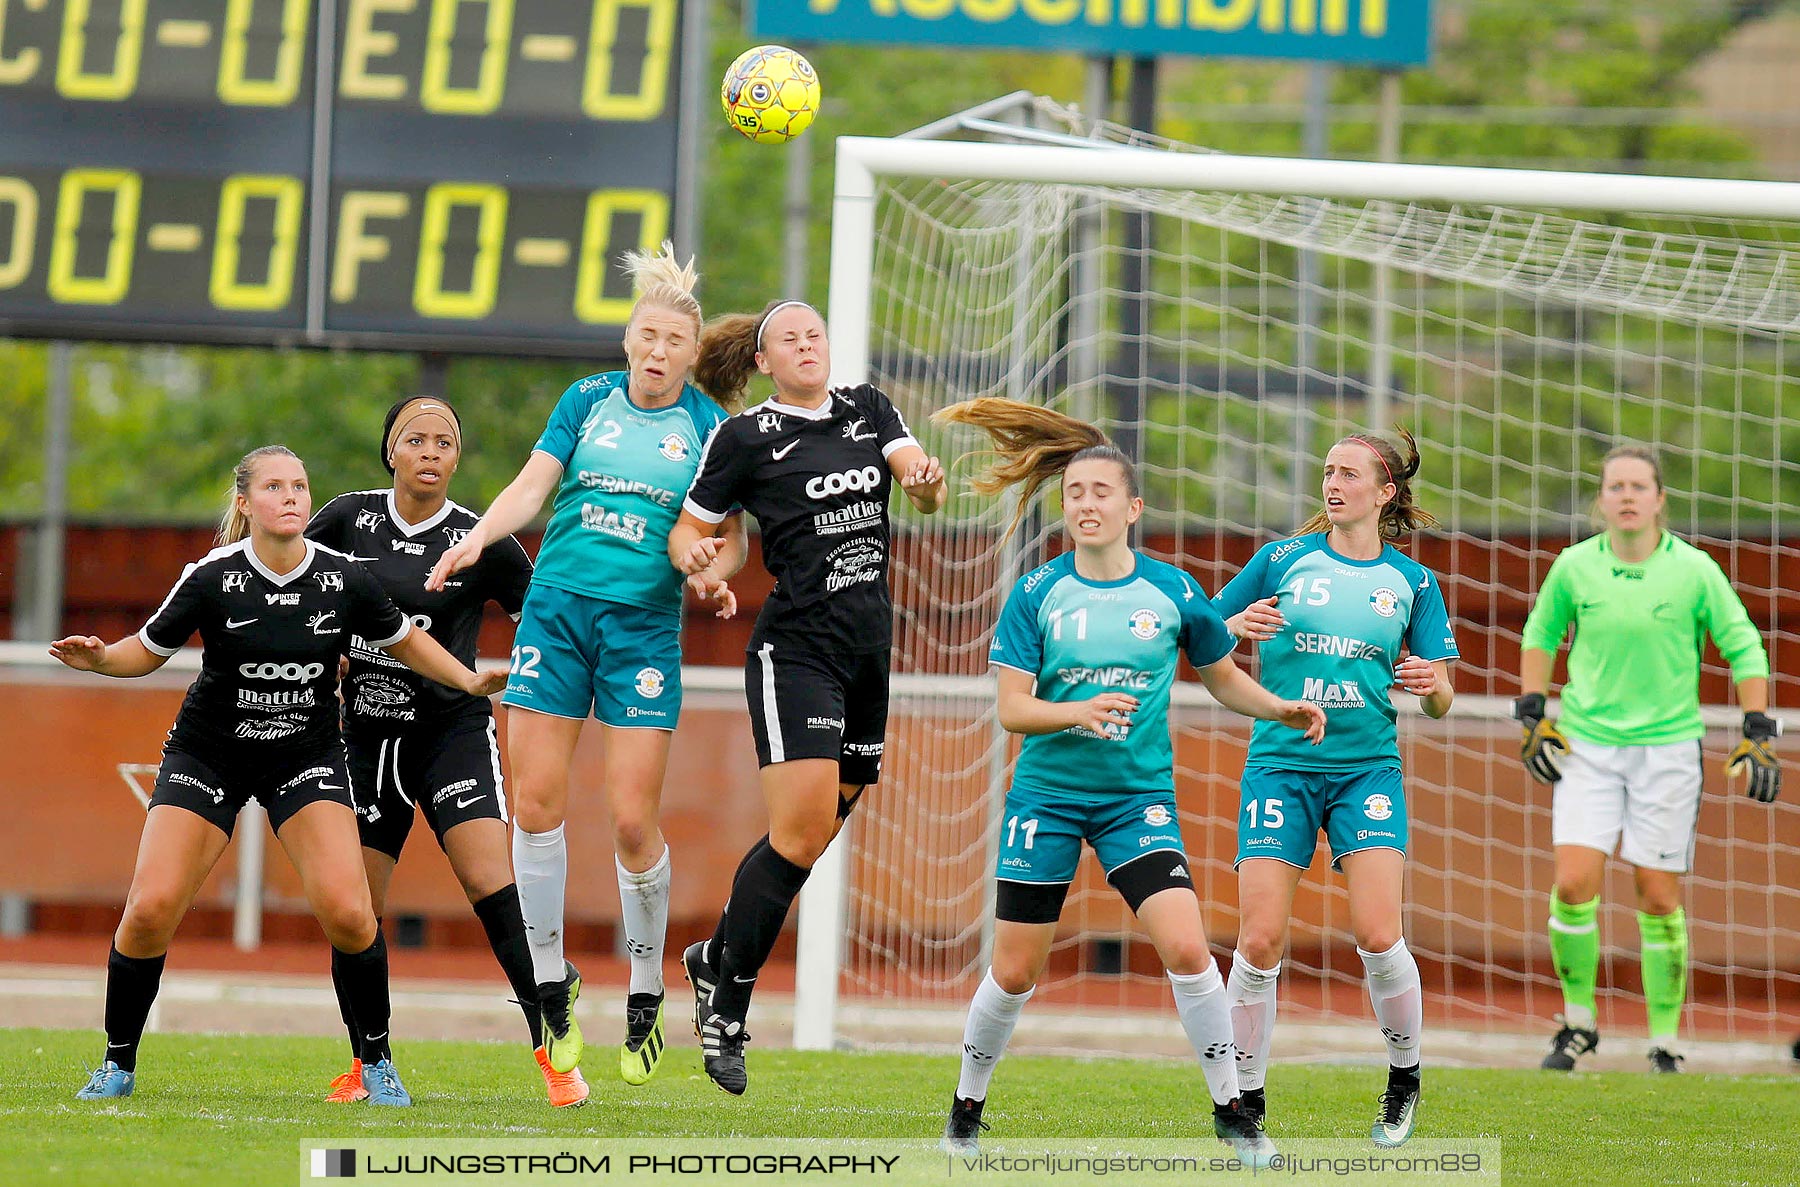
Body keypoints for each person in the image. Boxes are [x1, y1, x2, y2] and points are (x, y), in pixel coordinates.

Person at [929, 398, 1326, 1166]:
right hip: (1044, 800)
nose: (1085, 504)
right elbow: (1013, 711)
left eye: (1100, 492)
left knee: (1187, 947)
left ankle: (1234, 1113)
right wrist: (1075, 709)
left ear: (1132, 507)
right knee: (1014, 969)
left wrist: (1278, 705)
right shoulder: (1037, 594)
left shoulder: (1174, 592)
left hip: (1135, 802)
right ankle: (964, 1110)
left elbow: (1221, 678)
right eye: (1075, 494)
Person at [52, 445, 505, 1105]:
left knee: (352, 913)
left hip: (306, 754)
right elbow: (143, 653)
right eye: (274, 486)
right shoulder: (211, 576)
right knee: (148, 910)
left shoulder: (346, 577)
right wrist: (98, 659)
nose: (291, 496)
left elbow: (405, 639)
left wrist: (467, 677)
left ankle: (375, 1060)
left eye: (299, 484)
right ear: (245, 503)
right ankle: (117, 1062)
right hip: (211, 752)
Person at [425, 244, 743, 1085]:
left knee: (632, 820)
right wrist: (477, 538)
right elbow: (533, 486)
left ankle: (645, 987)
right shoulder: (586, 399)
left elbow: (728, 535)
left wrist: (712, 572)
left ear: (691, 349)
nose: (657, 349)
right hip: (557, 611)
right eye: (646, 333)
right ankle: (549, 981)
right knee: (533, 802)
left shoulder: (709, 426)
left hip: (642, 629)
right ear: (628, 338)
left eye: (674, 338)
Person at [666, 299, 947, 1096]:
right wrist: (701, 563)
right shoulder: (745, 436)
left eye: (815, 332)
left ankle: (715, 954)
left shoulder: (867, 408)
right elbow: (690, 530)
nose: (806, 344)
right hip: (796, 652)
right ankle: (727, 1005)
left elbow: (920, 484)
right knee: (797, 833)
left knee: (819, 824)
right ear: (764, 362)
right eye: (788, 338)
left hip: (868, 652)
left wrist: (926, 482)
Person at [306, 398, 580, 1104]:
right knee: (353, 909)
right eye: (415, 439)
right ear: (389, 451)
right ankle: (373, 1063)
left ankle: (554, 1049)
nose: (430, 450)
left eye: (445, 441)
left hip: (451, 732)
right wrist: (325, 653)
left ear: (457, 459)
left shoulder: (481, 537)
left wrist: (530, 672)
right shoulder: (345, 519)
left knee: (492, 883)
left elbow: (542, 616)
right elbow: (299, 593)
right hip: (363, 736)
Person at [1214, 428, 1457, 1149]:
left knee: (1379, 934)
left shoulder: (1412, 582)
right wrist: (1233, 622)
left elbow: (1442, 695)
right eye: (1328, 470)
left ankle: (1404, 1077)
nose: (1333, 482)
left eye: (1350, 473)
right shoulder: (1280, 559)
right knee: (1258, 939)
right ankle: (1246, 1101)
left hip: (1366, 771)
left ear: (1384, 494)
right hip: (1280, 766)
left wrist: (1430, 684)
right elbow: (1196, 636)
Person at [1514, 444, 1777, 1074]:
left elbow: (1742, 641)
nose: (1627, 496)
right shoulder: (1575, 566)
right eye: (1615, 486)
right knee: (1574, 882)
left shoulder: (1694, 570)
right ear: (1601, 500)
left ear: (1660, 499)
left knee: (1657, 895)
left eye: (1639, 486)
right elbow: (1539, 634)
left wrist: (1757, 727)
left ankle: (1665, 1040)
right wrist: (1532, 713)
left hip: (1668, 750)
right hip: (1587, 745)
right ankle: (1578, 1025)